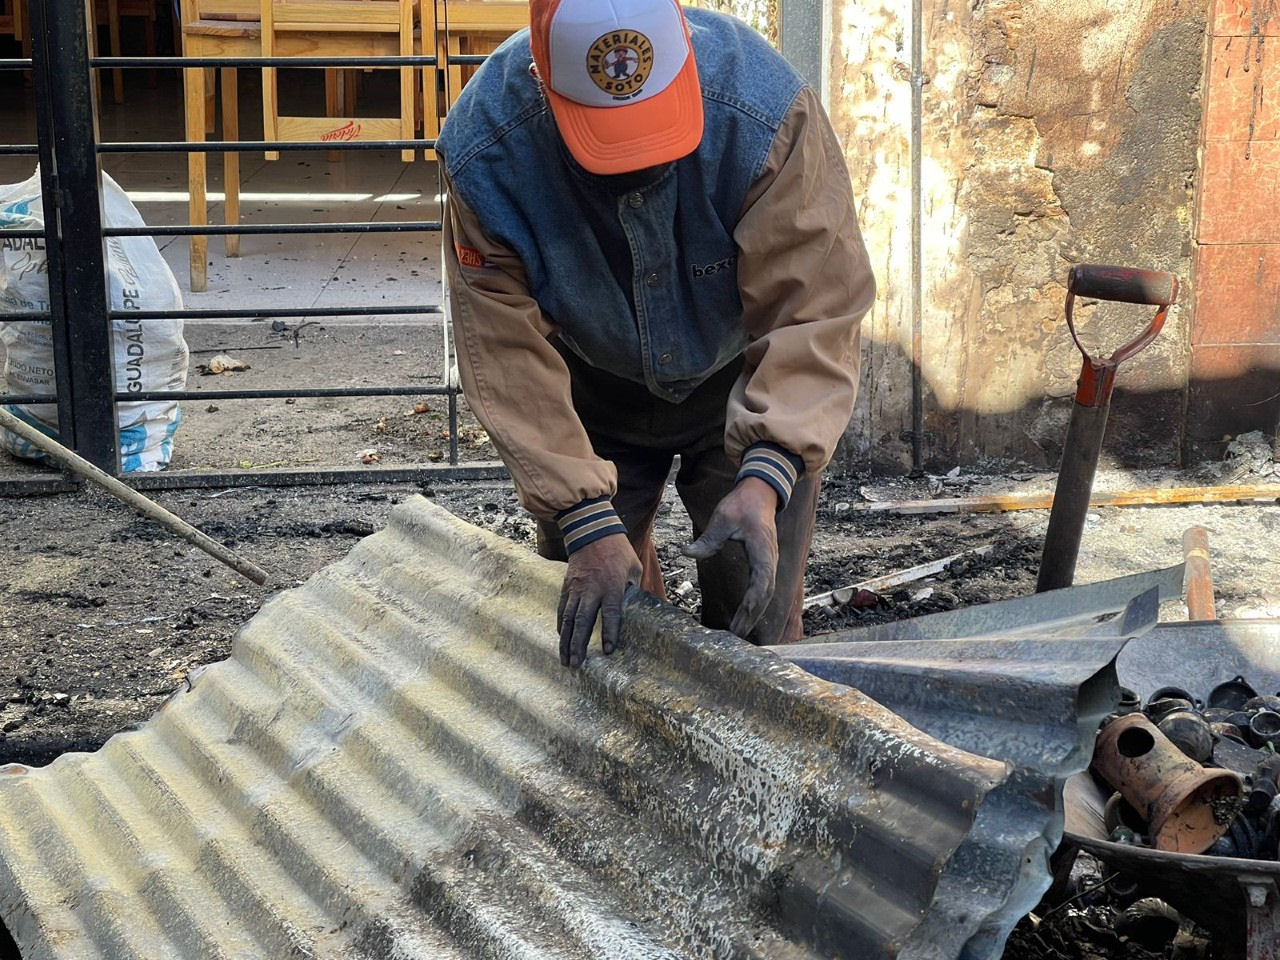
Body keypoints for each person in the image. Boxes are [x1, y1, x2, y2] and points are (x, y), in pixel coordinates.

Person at [436, 0, 875, 668]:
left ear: (684, 56)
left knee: (758, 622)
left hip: (745, 386)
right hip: (588, 398)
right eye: (605, 140)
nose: (633, 167)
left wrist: (769, 471)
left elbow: (815, 304)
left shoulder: (765, 115)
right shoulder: (486, 152)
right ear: (542, 80)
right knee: (601, 630)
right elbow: (501, 348)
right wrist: (581, 516)